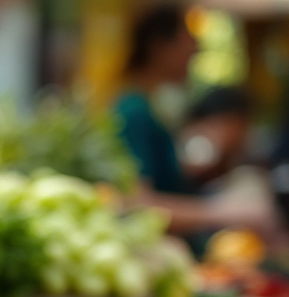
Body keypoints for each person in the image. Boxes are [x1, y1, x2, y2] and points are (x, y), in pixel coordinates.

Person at [114, 6, 274, 235]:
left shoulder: (149, 107)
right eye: (187, 39)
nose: (195, 49)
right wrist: (226, 211)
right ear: (160, 46)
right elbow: (136, 204)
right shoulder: (134, 112)